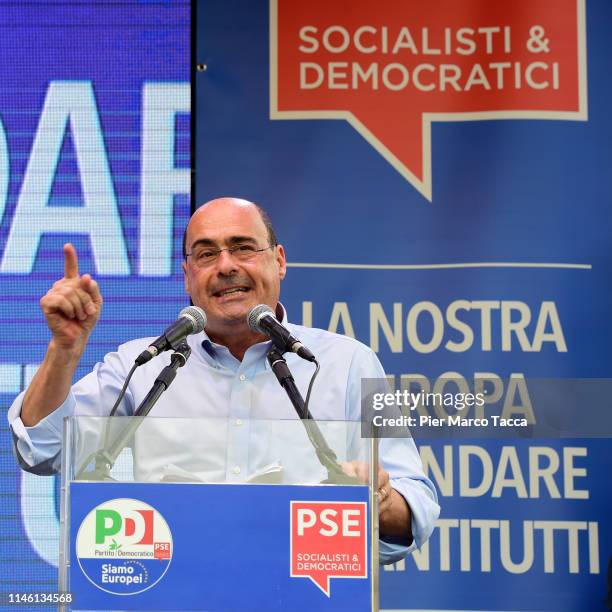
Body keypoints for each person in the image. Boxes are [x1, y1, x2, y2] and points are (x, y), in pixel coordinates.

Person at [8, 197, 439, 564]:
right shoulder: (141, 365)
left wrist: (378, 499)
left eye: (243, 248)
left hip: (303, 590)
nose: (226, 266)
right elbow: (42, 447)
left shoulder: (347, 363)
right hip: (170, 591)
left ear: (280, 261)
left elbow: (414, 505)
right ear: (188, 275)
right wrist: (64, 350)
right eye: (206, 253)